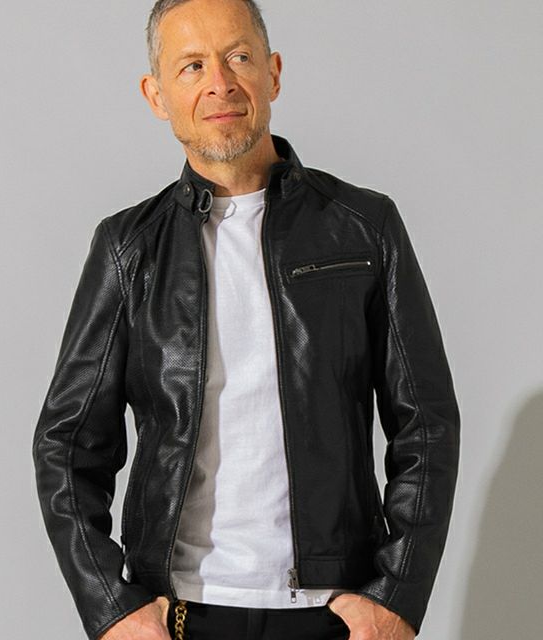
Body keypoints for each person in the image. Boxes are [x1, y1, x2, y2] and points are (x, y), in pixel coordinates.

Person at [32, 1, 460, 639]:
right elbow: (66, 446)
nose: (220, 84)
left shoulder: (364, 229)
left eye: (238, 57)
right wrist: (112, 609)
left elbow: (426, 424)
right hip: (180, 613)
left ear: (273, 72)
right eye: (192, 66)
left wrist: (396, 597)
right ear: (156, 95)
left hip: (333, 614)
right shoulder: (129, 249)